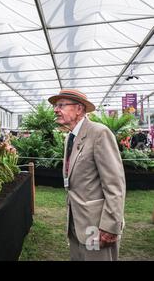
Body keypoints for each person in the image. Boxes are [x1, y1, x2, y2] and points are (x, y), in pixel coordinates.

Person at [48, 89, 126, 261]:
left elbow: (115, 184)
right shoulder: (70, 137)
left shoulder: (99, 133)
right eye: (55, 105)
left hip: (97, 226)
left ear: (79, 109)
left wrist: (110, 226)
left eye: (61, 105)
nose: (55, 109)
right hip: (76, 222)